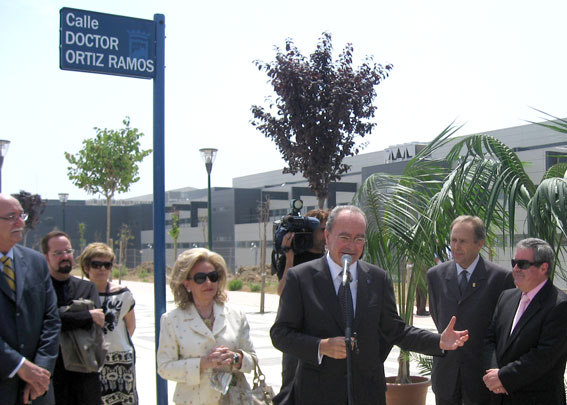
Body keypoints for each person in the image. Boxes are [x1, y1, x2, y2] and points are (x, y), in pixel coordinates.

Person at [270, 205, 469, 405]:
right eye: (345, 237)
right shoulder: (301, 277)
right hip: (317, 393)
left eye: (359, 239)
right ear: (328, 237)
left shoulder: (377, 278)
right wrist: (321, 347)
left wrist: (438, 341)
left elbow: (396, 330)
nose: (352, 246)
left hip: (367, 392)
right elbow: (280, 334)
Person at [426, 215, 515, 405]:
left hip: (482, 376)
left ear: (479, 244)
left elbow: (502, 327)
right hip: (446, 374)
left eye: (463, 241)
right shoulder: (435, 276)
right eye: (453, 240)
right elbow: (437, 315)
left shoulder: (500, 278)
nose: (456, 247)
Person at [157, 248, 257, 405]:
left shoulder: (236, 315)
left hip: (234, 399)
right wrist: (202, 364)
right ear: (186, 283)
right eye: (200, 278)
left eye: (213, 277)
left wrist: (236, 358)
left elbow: (253, 360)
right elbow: (164, 367)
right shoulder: (172, 320)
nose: (208, 283)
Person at [483, 238, 567, 404]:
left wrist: (504, 378)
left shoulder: (559, 305)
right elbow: (490, 339)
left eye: (522, 264)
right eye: (514, 262)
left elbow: (544, 356)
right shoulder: (506, 297)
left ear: (544, 267)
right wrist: (493, 375)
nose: (515, 268)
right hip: (499, 397)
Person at [0, 194, 60, 405]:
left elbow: (51, 320)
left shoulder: (36, 262)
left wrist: (40, 371)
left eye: (21, 215)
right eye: (11, 216)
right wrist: (19, 366)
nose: (20, 222)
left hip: (37, 391)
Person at [41, 231, 105, 405]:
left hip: (85, 371)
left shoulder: (87, 287)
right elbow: (46, 322)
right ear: (46, 257)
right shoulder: (39, 288)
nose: (65, 256)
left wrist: (62, 316)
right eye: (58, 253)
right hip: (52, 374)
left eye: (68, 251)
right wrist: (86, 315)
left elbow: (97, 321)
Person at [274, 208, 328, 398]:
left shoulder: (331, 259)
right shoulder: (292, 256)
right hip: (296, 333)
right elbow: (282, 292)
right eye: (321, 230)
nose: (325, 235)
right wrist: (289, 259)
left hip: (324, 335)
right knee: (291, 386)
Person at [79, 242, 138, 405]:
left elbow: (130, 326)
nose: (102, 269)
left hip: (121, 361)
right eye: (96, 265)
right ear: (86, 267)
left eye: (107, 265)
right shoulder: (77, 293)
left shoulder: (122, 294)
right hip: (89, 362)